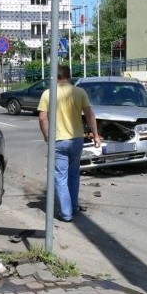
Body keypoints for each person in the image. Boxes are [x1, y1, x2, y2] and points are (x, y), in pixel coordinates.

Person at [37, 65, 100, 222]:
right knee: (74, 174)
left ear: (55, 77)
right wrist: (96, 135)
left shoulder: (48, 94)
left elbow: (42, 118)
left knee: (60, 177)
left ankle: (66, 213)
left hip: (58, 140)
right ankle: (73, 205)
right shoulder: (79, 92)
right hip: (77, 139)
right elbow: (90, 115)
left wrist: (47, 137)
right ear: (69, 76)